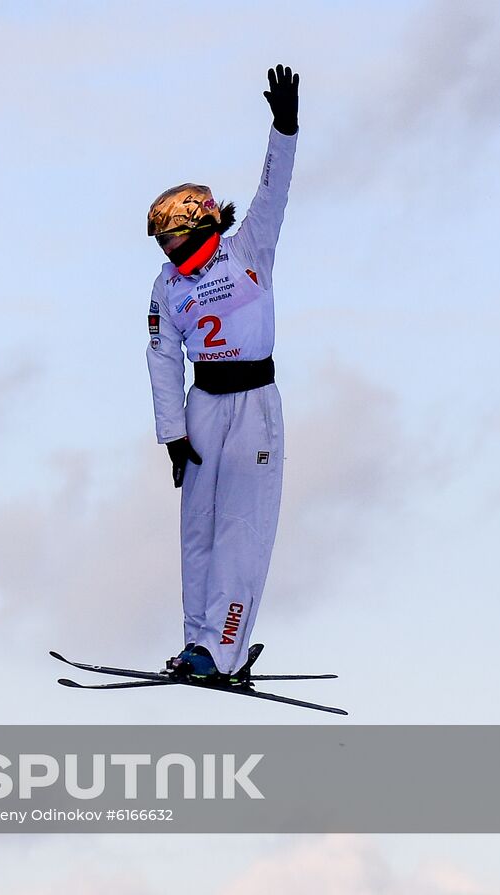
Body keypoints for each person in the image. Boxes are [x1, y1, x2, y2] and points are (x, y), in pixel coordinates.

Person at [144, 64, 299, 682]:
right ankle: (195, 646)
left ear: (199, 226)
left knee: (241, 527)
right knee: (198, 531)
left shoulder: (250, 247)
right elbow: (160, 357)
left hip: (254, 404)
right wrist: (173, 433)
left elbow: (274, 190)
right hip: (203, 405)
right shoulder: (165, 287)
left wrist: (284, 129)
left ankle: (224, 648)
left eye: (169, 238)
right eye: (159, 243)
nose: (164, 252)